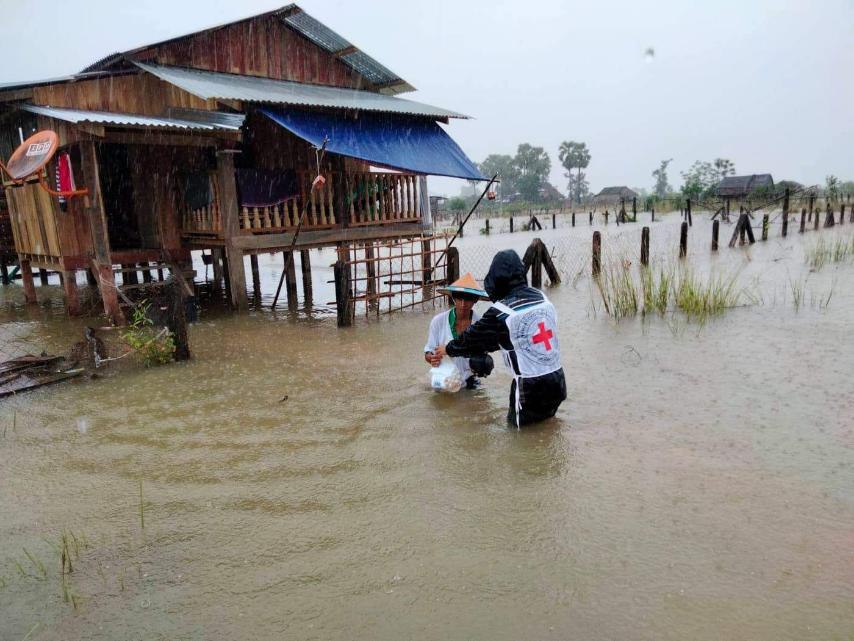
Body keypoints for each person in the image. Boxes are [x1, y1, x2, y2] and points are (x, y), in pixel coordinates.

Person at [434, 250, 566, 426]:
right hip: (558, 380)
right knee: (547, 427)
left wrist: (447, 348)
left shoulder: (502, 313)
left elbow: (472, 340)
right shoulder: (543, 299)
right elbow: (511, 339)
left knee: (520, 438)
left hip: (530, 387)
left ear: (496, 279)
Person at [424, 273, 493, 390]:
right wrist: (431, 358)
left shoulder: (480, 324)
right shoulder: (438, 321)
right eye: (459, 298)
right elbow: (428, 352)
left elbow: (483, 355)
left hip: (469, 379)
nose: (462, 304)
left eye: (468, 299)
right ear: (453, 298)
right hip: (444, 378)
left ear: (475, 300)